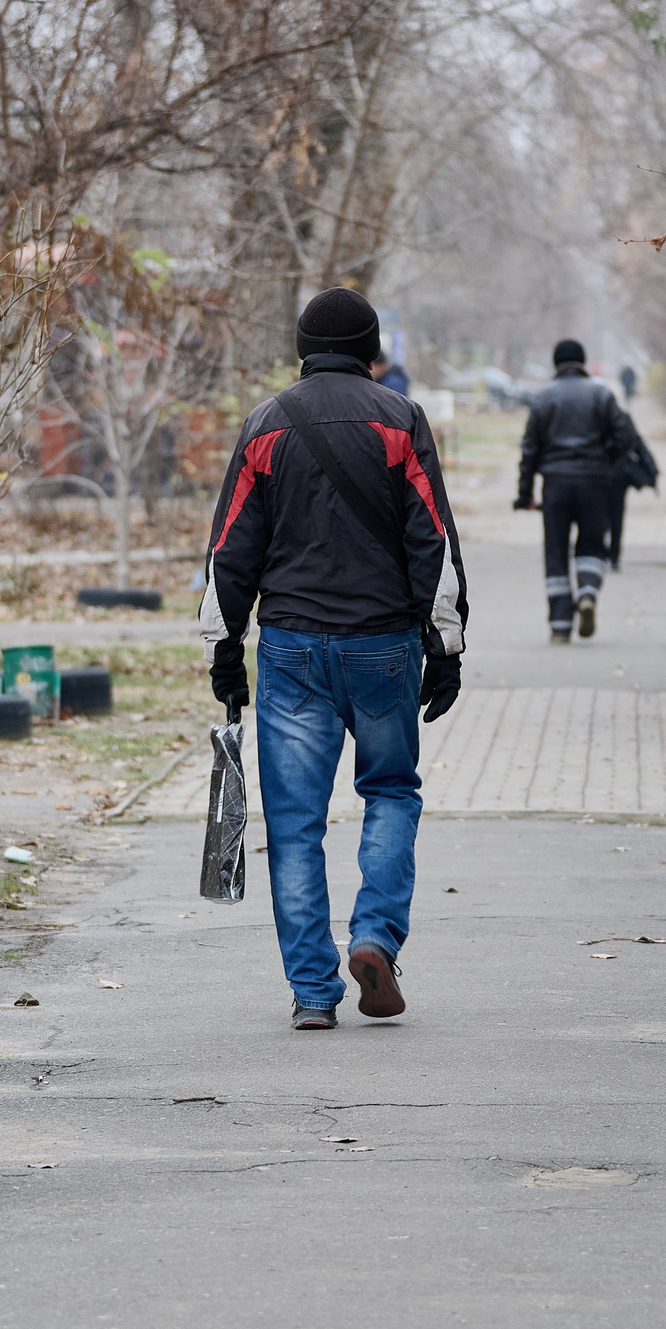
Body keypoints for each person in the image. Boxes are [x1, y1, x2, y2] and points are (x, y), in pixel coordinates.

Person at [200, 287, 469, 1031]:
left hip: (290, 652)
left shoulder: (266, 424)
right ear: (372, 350)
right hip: (382, 647)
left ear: (301, 349)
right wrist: (444, 644)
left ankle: (313, 994)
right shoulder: (399, 420)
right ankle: (375, 936)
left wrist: (225, 647)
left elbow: (230, 549)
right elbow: (433, 539)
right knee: (390, 792)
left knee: (294, 826)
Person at [514, 339, 644, 641]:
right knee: (592, 544)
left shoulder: (543, 398)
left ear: (555, 363)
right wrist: (606, 461)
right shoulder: (601, 394)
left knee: (556, 551)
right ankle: (587, 592)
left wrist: (525, 493)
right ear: (583, 362)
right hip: (594, 483)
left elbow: (529, 450)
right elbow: (626, 435)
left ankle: (560, 626)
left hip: (555, 485)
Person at [605, 431, 659, 572]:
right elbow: (637, 442)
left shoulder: (593, 413)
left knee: (599, 515)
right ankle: (613, 555)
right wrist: (651, 470)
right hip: (617, 472)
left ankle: (603, 553)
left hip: (599, 471)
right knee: (616, 515)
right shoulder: (619, 415)